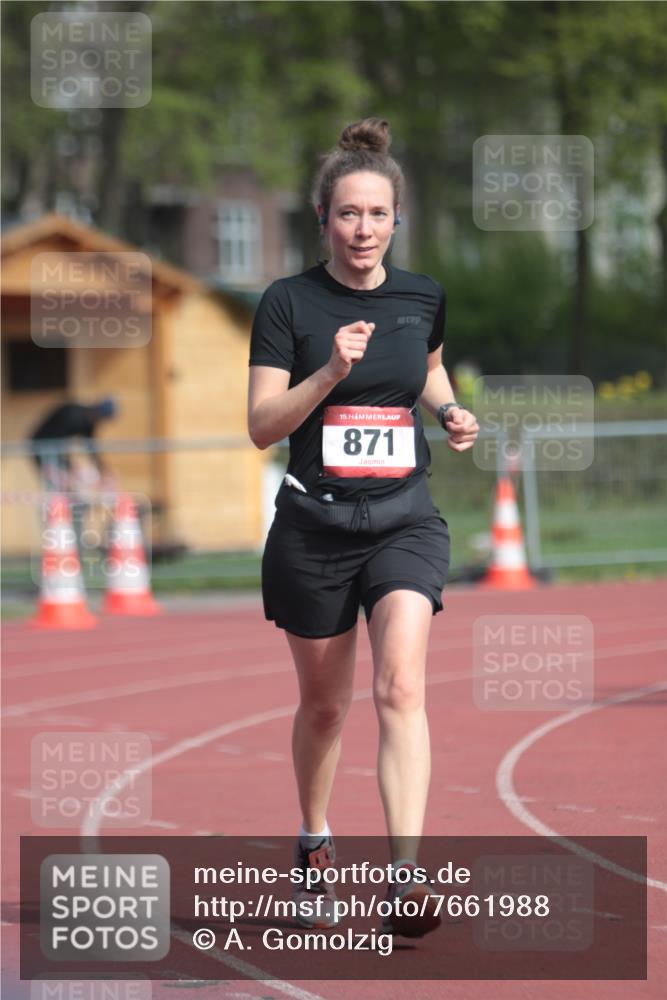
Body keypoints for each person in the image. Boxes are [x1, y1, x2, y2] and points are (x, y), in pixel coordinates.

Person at [247, 117, 479, 938]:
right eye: (347, 214)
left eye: (376, 215)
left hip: (402, 521)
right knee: (323, 707)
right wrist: (330, 371)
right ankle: (313, 840)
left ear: (395, 220)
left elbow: (425, 366)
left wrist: (448, 409)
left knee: (401, 687)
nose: (362, 229)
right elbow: (261, 425)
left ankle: (405, 876)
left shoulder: (421, 297)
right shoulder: (286, 302)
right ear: (322, 219)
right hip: (313, 527)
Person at [29, 398, 117, 492]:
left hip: (51, 447)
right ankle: (54, 502)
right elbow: (57, 440)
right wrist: (70, 464)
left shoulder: (89, 423)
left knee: (66, 482)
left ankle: (61, 500)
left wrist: (102, 468)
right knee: (56, 482)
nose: (100, 421)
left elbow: (91, 448)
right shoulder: (74, 415)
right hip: (41, 445)